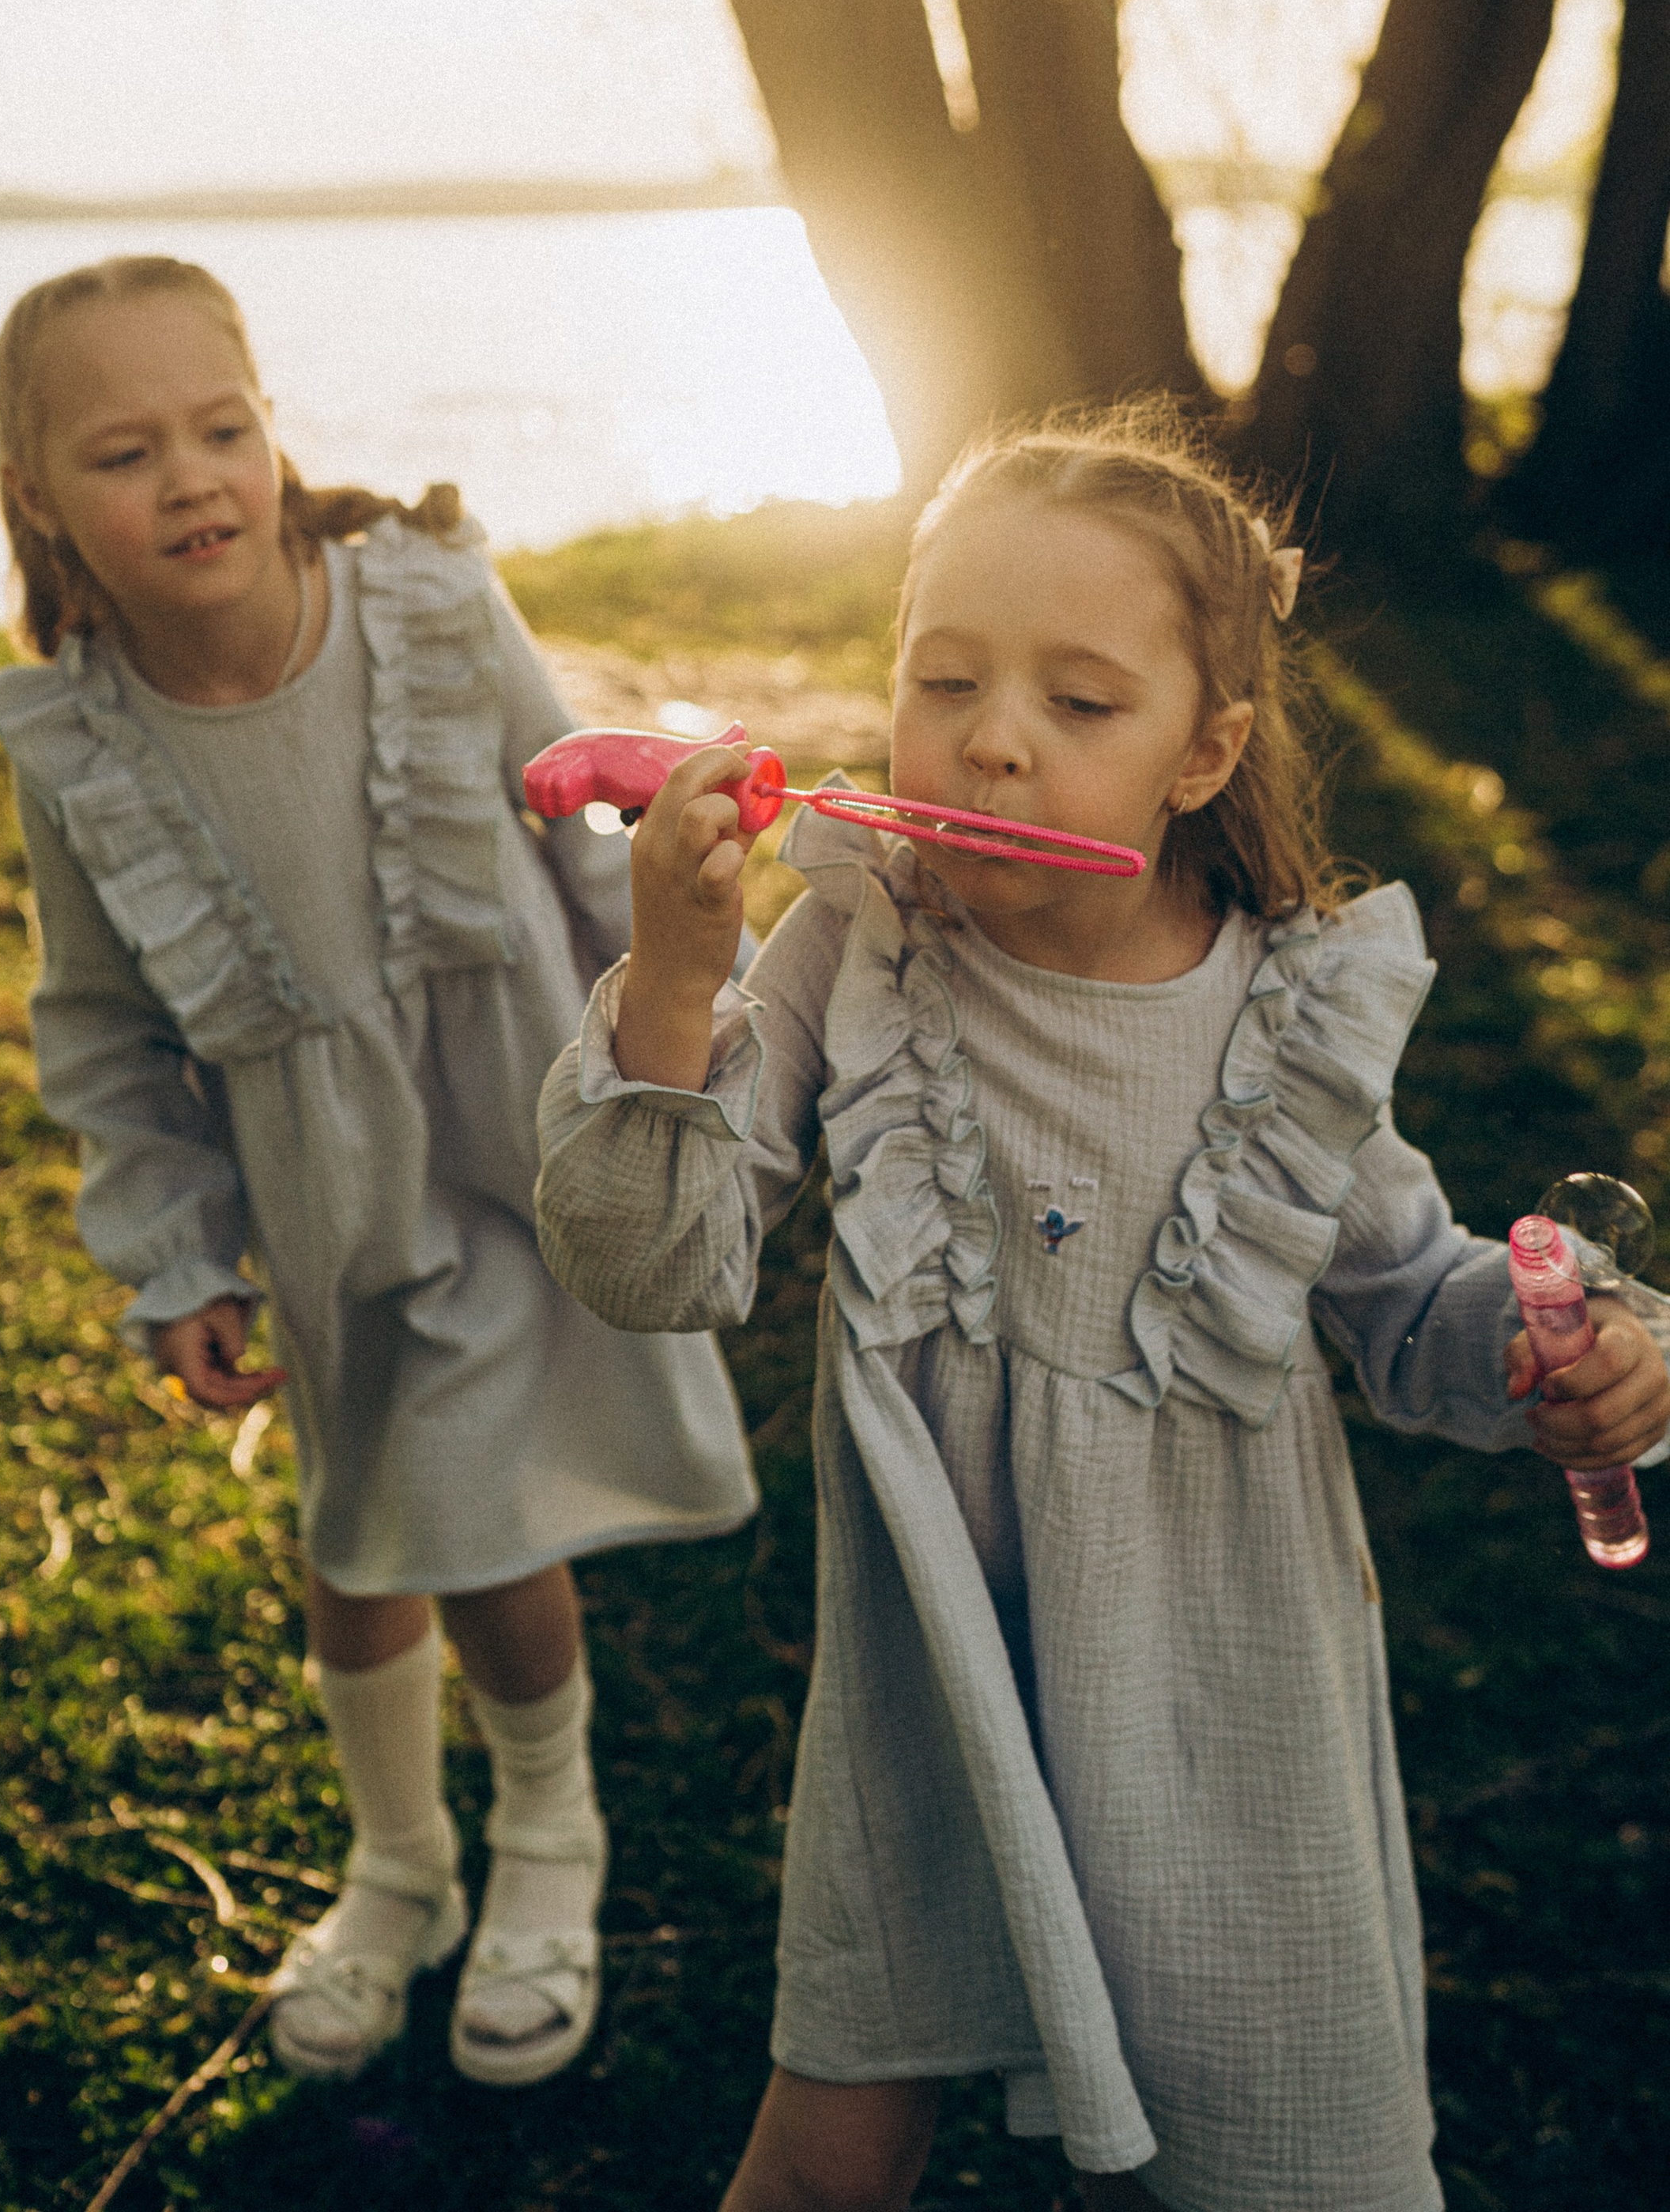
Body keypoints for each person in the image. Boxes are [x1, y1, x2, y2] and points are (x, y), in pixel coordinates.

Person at [532, 405, 1670, 2212]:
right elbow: (649, 1262)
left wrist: (1567, 1357)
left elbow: (1403, 1298)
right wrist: (678, 981)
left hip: (1223, 1690)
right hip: (937, 1670)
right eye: (942, 679)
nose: (987, 741)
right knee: (830, 2142)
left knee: (1297, 2160)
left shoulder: (1279, 1028)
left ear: (1201, 750)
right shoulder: (854, 945)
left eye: (1077, 704)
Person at [0, 255, 756, 2093]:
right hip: (321, 1202)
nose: (190, 480)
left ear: (270, 430)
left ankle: (548, 1842)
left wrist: (655, 1062)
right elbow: (97, 1026)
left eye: (221, 429)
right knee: (355, 1534)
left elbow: (581, 833)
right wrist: (174, 1256)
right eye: (124, 452)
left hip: (510, 1138)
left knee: (474, 1523)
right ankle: (397, 1862)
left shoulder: (420, 604)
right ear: (40, 500)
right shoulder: (80, 737)